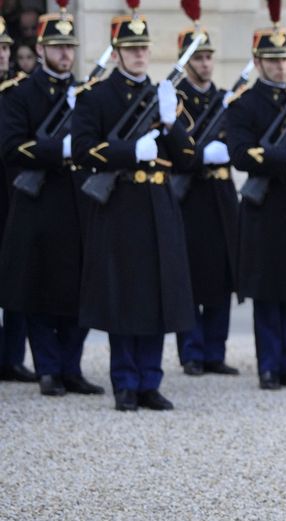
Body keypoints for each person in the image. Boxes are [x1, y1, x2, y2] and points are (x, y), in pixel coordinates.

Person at [72, 5, 196, 411]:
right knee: (125, 295)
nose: (140, 55)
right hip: (122, 205)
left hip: (158, 204)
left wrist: (170, 122)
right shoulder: (97, 96)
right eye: (131, 48)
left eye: (144, 48)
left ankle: (150, 381)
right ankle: (125, 382)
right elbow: (84, 148)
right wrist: (129, 152)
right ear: (118, 51)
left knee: (159, 294)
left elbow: (186, 157)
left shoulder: (162, 94)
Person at [0, 9, 103, 397]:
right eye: (57, 47)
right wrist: (55, 150)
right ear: (41, 48)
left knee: (81, 289)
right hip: (39, 203)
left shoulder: (86, 94)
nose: (65, 55)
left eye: (69, 48)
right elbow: (11, 146)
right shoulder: (19, 93)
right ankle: (48, 368)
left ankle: (72, 367)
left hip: (78, 202)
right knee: (39, 290)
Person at [225, 15, 286, 392]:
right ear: (258, 61)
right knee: (268, 291)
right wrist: (282, 157)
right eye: (272, 60)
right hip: (265, 206)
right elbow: (239, 153)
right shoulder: (245, 105)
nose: (280, 66)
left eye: (284, 59)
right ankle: (269, 365)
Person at [173, 21, 240, 377]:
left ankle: (215, 351)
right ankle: (191, 352)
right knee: (192, 278)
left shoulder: (224, 98)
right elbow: (177, 150)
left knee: (222, 278)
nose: (205, 64)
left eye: (209, 57)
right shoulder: (177, 100)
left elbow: (240, 139)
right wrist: (201, 156)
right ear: (186, 62)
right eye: (198, 58)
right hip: (191, 198)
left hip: (222, 196)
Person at [0, 17, 37, 385]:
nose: (3, 54)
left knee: (15, 281)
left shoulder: (20, 91)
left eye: (6, 48)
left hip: (12, 193)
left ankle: (12, 357)